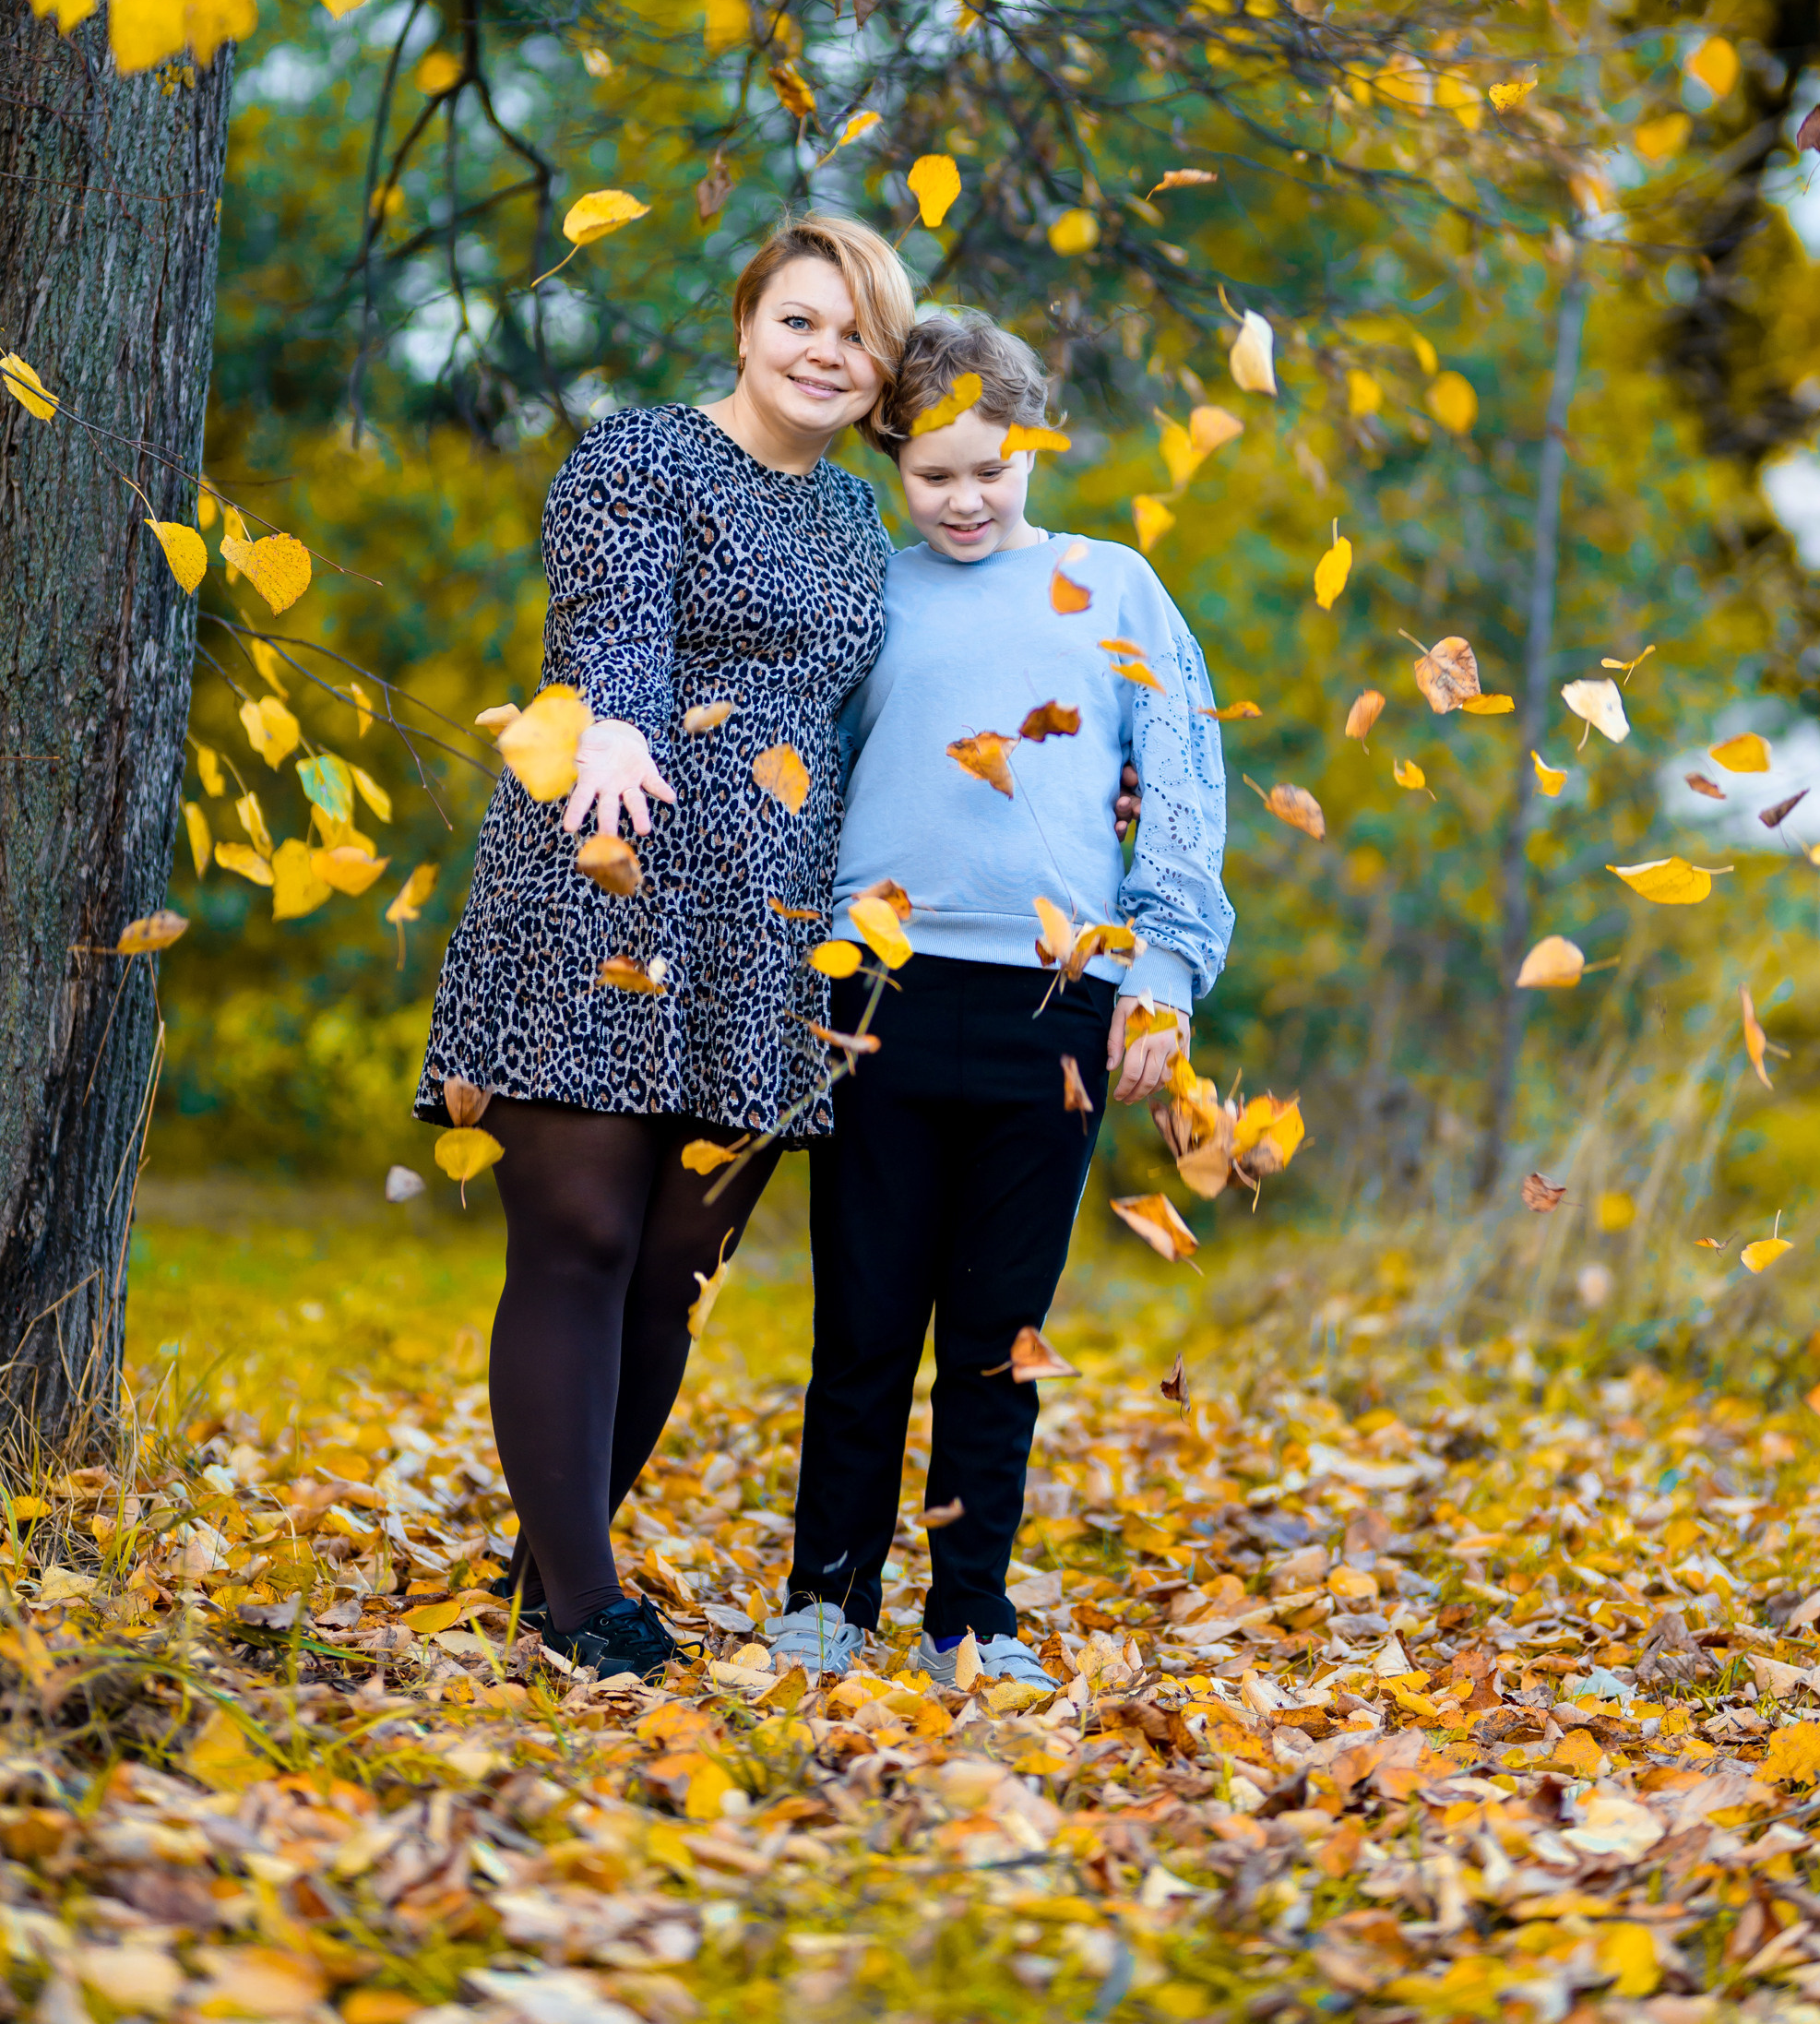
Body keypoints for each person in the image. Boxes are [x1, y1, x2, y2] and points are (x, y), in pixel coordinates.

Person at [412, 214, 916, 1679]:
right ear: (749, 320)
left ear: (882, 370)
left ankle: (543, 1574)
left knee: (678, 1265)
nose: (827, 354)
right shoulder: (640, 455)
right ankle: (587, 1606)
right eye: (803, 321)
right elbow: (608, 620)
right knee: (580, 1235)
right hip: (609, 871)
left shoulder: (854, 525)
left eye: (858, 335)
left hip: (766, 929)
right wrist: (619, 713)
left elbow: (887, 706)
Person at [771, 310, 1233, 1685]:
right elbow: (811, 774)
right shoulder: (871, 592)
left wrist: (1160, 974)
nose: (966, 500)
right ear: (892, 460)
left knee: (996, 1341)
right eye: (934, 476)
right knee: (861, 1326)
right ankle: (824, 1602)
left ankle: (969, 1614)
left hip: (1059, 1009)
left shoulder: (1116, 588)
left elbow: (1187, 784)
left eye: (992, 470)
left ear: (1033, 445)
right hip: (877, 998)